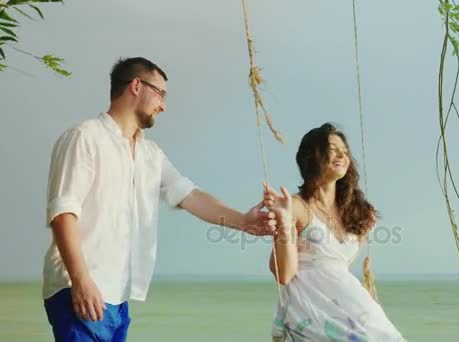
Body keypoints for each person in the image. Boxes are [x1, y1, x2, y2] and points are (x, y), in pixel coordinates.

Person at [42, 57, 274, 341]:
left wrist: (244, 221)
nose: (163, 105)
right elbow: (63, 213)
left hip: (117, 297)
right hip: (80, 288)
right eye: (161, 94)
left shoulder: (150, 154)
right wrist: (80, 280)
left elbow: (191, 196)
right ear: (136, 86)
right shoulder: (84, 137)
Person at [264, 123, 406, 341]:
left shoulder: (359, 212)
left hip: (350, 306)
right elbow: (283, 274)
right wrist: (284, 223)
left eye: (345, 151)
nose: (342, 155)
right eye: (332, 150)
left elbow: (338, 268)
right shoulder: (295, 206)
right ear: (312, 157)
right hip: (310, 308)